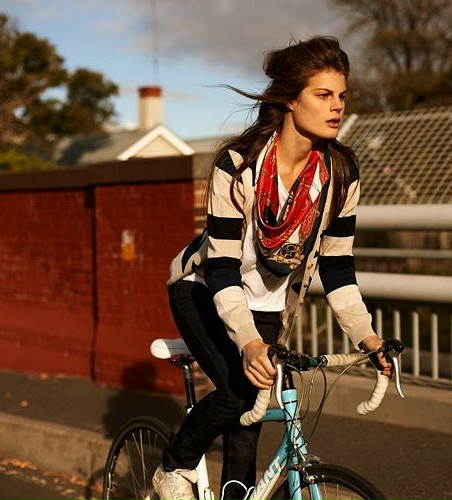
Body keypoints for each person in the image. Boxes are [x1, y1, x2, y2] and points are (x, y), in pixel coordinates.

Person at [154, 35, 391, 500]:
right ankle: (173, 466)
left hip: (266, 303)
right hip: (202, 289)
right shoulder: (238, 165)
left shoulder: (341, 173)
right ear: (289, 100)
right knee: (239, 392)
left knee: (248, 427)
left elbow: (337, 267)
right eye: (323, 95)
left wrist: (368, 338)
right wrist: (247, 342)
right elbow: (222, 267)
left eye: (342, 96)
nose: (337, 106)